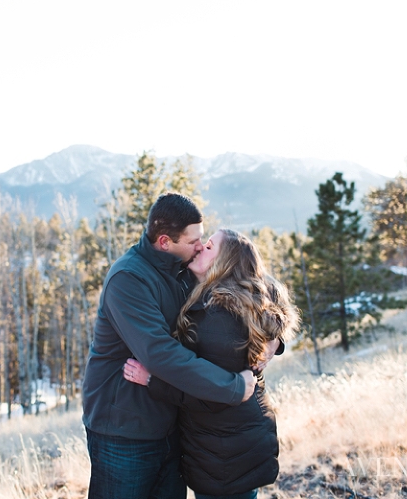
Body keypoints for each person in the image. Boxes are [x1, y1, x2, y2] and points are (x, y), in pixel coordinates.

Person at [82, 193, 260, 499]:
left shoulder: (187, 268)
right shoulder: (128, 280)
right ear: (165, 242)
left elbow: (249, 288)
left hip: (173, 422)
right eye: (194, 241)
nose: (201, 246)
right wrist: (232, 387)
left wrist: (273, 340)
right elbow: (159, 354)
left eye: (203, 240)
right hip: (125, 428)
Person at [123, 229, 300, 499]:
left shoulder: (220, 319)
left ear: (223, 264)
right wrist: (275, 341)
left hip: (225, 455)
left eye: (208, 247)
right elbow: (264, 284)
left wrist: (152, 380)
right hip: (226, 446)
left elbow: (211, 394)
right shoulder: (210, 295)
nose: (198, 249)